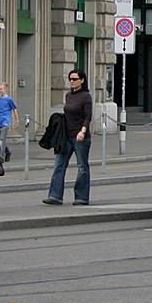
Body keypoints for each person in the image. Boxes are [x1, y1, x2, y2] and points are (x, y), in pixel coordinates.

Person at [43, 69, 93, 206]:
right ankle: (55, 195)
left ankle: (81, 197)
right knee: (59, 165)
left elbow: (88, 116)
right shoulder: (69, 95)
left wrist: (83, 131)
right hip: (66, 136)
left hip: (80, 137)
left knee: (82, 167)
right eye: (70, 79)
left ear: (82, 80)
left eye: (75, 79)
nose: (72, 81)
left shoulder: (86, 96)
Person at [0, 83, 20, 160]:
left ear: (5, 89)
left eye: (1, 89)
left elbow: (14, 109)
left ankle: (1, 157)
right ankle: (7, 151)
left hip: (5, 120)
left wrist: (17, 121)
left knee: (2, 138)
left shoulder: (9, 99)